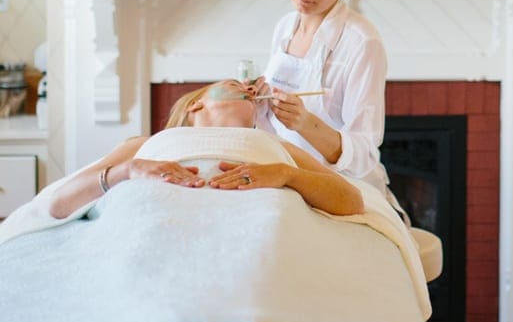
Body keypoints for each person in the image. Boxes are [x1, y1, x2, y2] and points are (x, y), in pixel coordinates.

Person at [48, 79, 364, 220]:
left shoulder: (273, 148)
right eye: (233, 84)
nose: (249, 89)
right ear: (197, 102)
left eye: (251, 93)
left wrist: (285, 175)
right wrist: (127, 170)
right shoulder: (147, 145)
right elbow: (59, 203)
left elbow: (351, 200)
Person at [253, 0, 394, 203]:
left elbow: (363, 155)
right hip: (287, 182)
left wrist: (305, 123)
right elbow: (272, 129)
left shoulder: (362, 42)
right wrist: (258, 101)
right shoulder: (285, 27)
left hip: (342, 190)